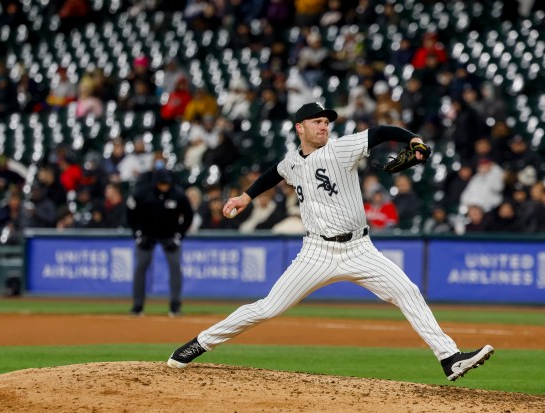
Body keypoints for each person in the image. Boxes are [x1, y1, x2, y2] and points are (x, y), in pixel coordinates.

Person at [167, 102, 494, 381]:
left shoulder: (341, 148)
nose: (325, 126)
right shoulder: (293, 161)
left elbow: (381, 132)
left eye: (327, 122)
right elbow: (276, 172)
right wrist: (246, 196)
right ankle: (198, 345)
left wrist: (415, 141)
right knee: (267, 308)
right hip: (316, 252)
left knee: (407, 291)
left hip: (359, 249)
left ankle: (449, 357)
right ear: (300, 128)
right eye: (318, 122)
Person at [127, 168, 194, 316]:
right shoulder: (142, 194)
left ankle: (175, 305)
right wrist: (137, 234)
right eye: (161, 183)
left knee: (175, 267)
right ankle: (137, 306)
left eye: (166, 183)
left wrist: (179, 236)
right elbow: (131, 214)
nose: (164, 186)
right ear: (155, 183)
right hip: (147, 235)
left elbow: (189, 216)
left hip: (170, 236)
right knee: (140, 267)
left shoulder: (178, 195)